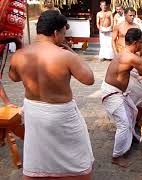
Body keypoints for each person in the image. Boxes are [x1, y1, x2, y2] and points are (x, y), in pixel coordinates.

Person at [9, 10, 94, 179]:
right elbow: (89, 79)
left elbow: (13, 77)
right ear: (56, 32)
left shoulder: (19, 55)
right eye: (63, 33)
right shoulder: (65, 56)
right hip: (61, 114)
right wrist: (71, 51)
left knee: (38, 153)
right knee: (75, 159)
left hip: (35, 112)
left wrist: (20, 50)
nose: (64, 38)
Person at [101, 28, 142, 168]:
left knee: (133, 114)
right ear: (135, 42)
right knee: (124, 124)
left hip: (118, 92)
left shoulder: (128, 53)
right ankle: (116, 156)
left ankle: (130, 137)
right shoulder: (130, 57)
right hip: (112, 94)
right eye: (141, 42)